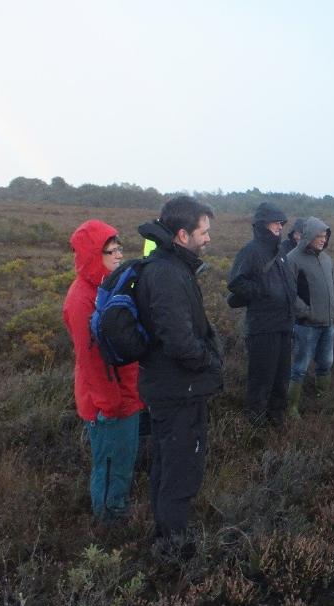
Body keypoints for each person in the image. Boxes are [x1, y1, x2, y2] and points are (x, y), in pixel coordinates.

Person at [135, 197, 223, 550]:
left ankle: (165, 536)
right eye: (204, 232)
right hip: (177, 390)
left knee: (168, 463)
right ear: (183, 235)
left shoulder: (171, 266)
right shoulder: (167, 274)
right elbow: (179, 341)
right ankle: (173, 548)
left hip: (172, 387)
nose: (208, 238)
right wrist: (209, 361)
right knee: (180, 469)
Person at [62, 220, 143, 523]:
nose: (119, 255)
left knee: (122, 462)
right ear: (93, 255)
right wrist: (111, 405)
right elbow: (91, 361)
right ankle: (107, 524)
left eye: (120, 248)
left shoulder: (106, 288)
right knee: (110, 465)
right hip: (107, 403)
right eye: (112, 250)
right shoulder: (81, 300)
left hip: (125, 395)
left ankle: (116, 512)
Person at [226, 202, 295, 425]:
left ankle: (276, 420)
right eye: (276, 222)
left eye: (281, 223)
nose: (280, 226)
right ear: (263, 224)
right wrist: (263, 292)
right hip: (263, 328)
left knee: (281, 379)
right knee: (261, 380)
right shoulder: (251, 251)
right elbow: (236, 282)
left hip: (284, 325)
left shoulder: (280, 251)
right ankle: (255, 426)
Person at [285, 216, 334, 416]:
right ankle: (291, 407)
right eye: (319, 236)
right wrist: (306, 312)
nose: (323, 240)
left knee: (326, 363)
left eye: (325, 236)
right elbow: (289, 292)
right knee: (299, 367)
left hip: (328, 322)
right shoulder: (292, 258)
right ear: (308, 236)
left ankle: (322, 399)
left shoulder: (326, 259)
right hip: (305, 325)